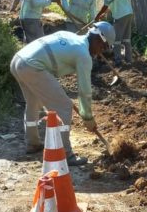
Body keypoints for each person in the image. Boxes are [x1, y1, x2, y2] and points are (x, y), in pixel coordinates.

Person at [10, 22, 115, 165]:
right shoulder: (83, 54)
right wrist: (88, 118)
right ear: (97, 39)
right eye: (102, 47)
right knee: (64, 107)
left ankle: (32, 143)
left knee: (33, 103)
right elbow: (84, 92)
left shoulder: (72, 37)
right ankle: (65, 154)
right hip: (32, 66)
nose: (99, 52)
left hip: (18, 60)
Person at [95, 0, 133, 68]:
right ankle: (129, 60)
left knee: (116, 39)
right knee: (126, 39)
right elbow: (115, 1)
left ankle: (118, 62)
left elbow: (106, 3)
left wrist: (98, 15)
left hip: (120, 15)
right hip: (128, 12)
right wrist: (105, 13)